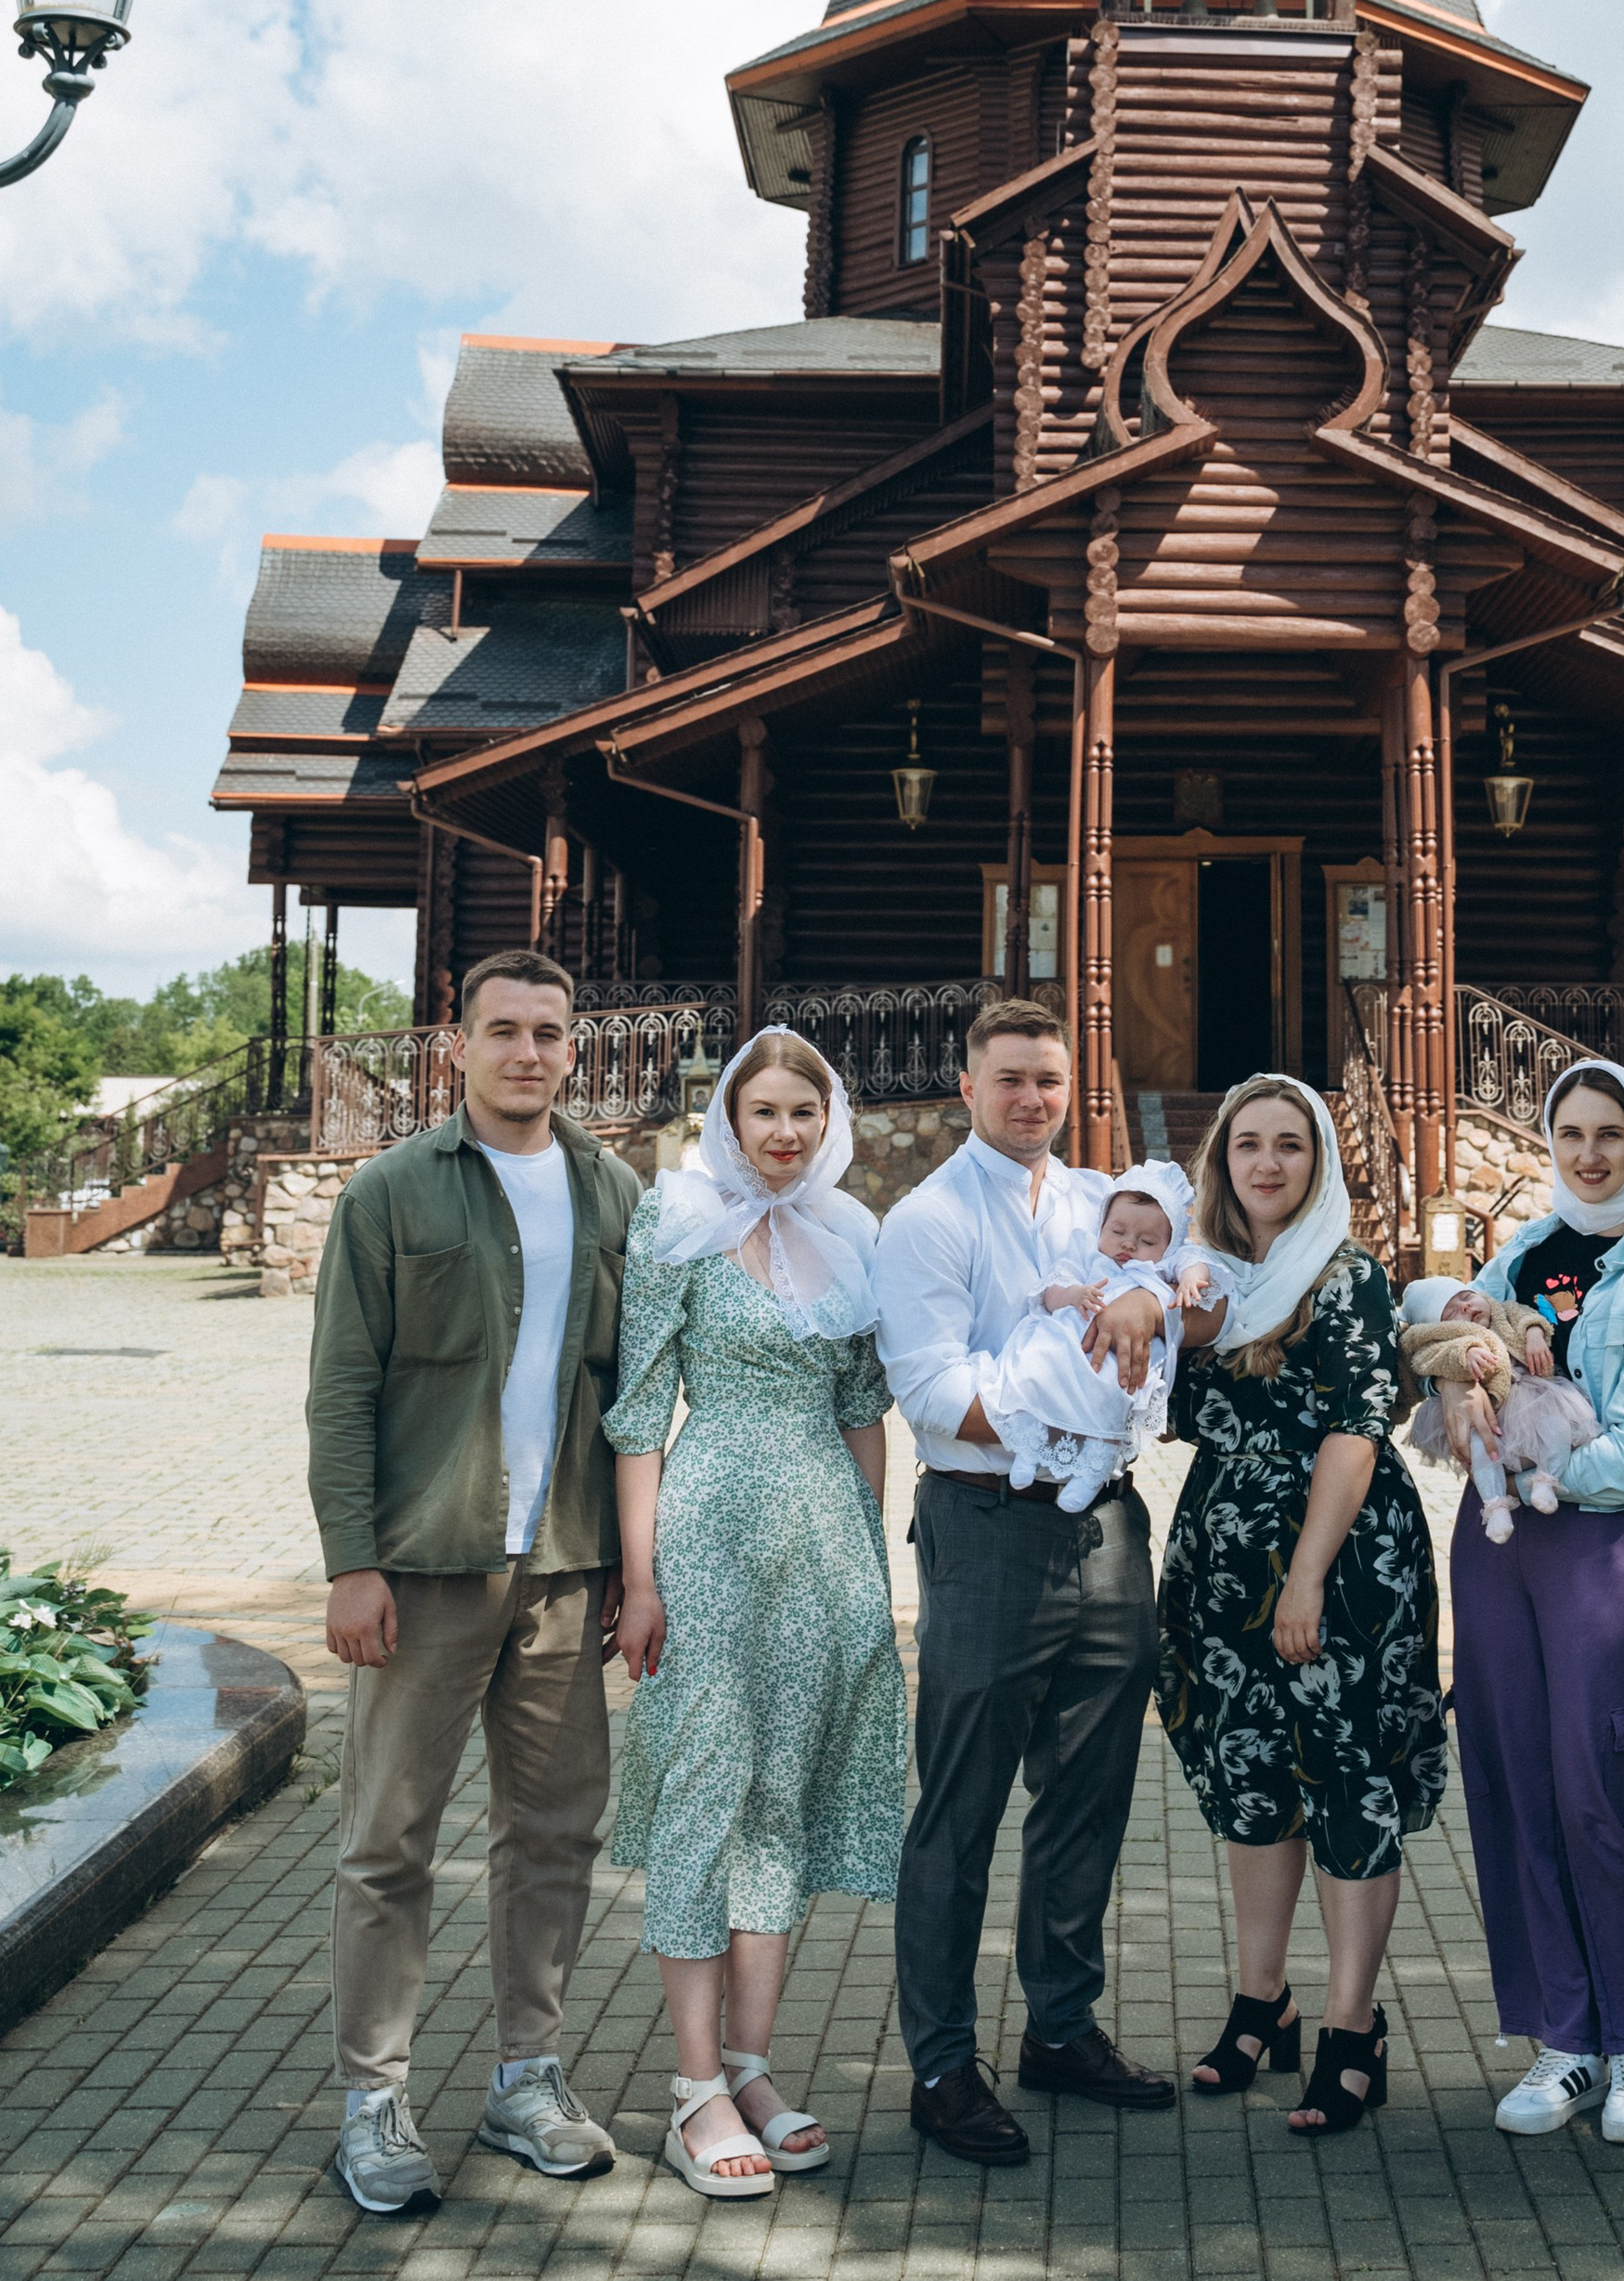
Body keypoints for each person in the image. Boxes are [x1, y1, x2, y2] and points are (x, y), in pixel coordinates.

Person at [308, 950, 637, 2216]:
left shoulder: (613, 1190)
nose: (528, 1051)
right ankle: (372, 2099)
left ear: (573, 1048)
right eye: (504, 1029)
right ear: (459, 1045)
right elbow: (343, 1387)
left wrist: (629, 1562)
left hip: (563, 1565)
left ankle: (526, 2078)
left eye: (549, 1031)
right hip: (426, 1564)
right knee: (387, 1840)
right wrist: (352, 1561)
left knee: (553, 1832)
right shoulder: (390, 1189)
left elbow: (634, 1390)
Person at [873, 998, 1177, 2165]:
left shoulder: (1104, 1200)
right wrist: (1070, 1408)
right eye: (1008, 1079)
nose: (1030, 1099)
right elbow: (934, 1392)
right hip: (988, 1526)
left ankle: (1060, 2025)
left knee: (1089, 1791)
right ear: (967, 1086)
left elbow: (1182, 1289)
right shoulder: (929, 1217)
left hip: (1106, 1526)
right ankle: (942, 2063)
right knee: (962, 1804)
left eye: (1047, 1079)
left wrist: (1151, 1299)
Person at [604, 1027, 905, 2200]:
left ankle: (751, 2066)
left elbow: (863, 1407)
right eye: (764, 1110)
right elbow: (639, 1415)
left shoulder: (852, 1233)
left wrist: (870, 1563)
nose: (784, 1131)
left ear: (830, 1124)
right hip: (709, 1531)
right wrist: (640, 1580)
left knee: (782, 1796)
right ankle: (692, 2088)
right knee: (705, 1790)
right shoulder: (675, 1222)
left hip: (822, 1542)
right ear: (729, 1120)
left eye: (803, 1112)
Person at [1435, 1059, 1624, 2150]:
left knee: (1603, 1786)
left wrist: (1522, 1448)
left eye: (1610, 1133)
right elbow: (1454, 1358)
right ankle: (1567, 2033)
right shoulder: (1519, 1252)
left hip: (1598, 1544)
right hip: (1499, 1548)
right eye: (1571, 1133)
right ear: (1547, 1143)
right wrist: (1457, 1384)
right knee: (1519, 1787)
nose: (1590, 1153)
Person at [1160, 1075, 1446, 2137]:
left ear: (1318, 1161)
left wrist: (1307, 1574)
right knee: (1251, 1778)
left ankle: (1349, 2026)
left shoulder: (1345, 1273)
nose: (1267, 1162)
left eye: (1290, 1143)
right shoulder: (1205, 1278)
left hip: (1338, 1559)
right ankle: (1260, 2001)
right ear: (1221, 1161)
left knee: (1342, 1777)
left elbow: (1355, 1430)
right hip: (1221, 1560)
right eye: (1248, 1144)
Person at [984, 1159, 1210, 1510]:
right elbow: (1050, 1292)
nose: (1128, 1245)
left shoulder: (1164, 1266)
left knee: (1114, 1393)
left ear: (1168, 1246)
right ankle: (1030, 1445)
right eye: (1118, 1231)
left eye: (1147, 1240)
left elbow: (1194, 1261)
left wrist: (1192, 1280)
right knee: (1042, 1366)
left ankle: (1094, 1469)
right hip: (1071, 1337)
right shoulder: (1086, 1252)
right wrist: (1074, 1294)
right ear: (1102, 1224)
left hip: (1121, 1355)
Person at [1398, 1275, 1599, 1538]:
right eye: (1451, 1312)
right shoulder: (1446, 1341)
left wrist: (1535, 1333)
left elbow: (1528, 1316)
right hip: (1488, 1411)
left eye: (1466, 1297)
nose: (1465, 1307)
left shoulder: (1503, 1311)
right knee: (1483, 1449)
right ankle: (1495, 1506)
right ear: (1441, 1328)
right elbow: (1429, 1359)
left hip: (1533, 1394)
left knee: (1557, 1426)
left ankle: (1547, 1480)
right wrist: (1464, 1355)